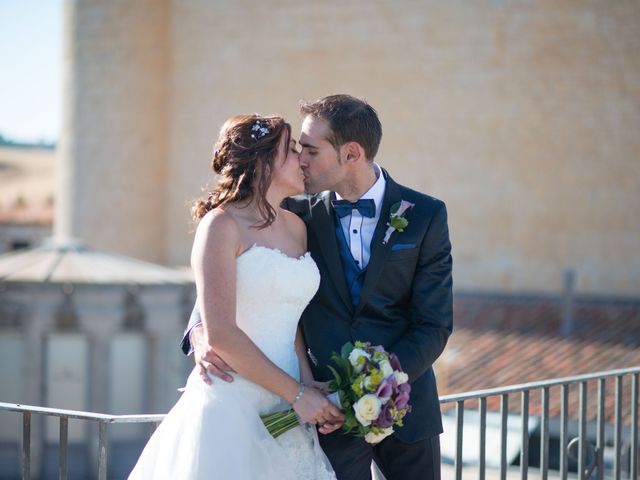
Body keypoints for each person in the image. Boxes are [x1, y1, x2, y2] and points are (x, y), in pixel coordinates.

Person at [185, 95, 453, 480]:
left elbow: (434, 324)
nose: (302, 159)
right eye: (297, 150)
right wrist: (200, 331)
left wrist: (379, 385)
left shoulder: (426, 215)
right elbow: (235, 273)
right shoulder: (294, 214)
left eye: (310, 149)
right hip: (324, 414)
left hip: (406, 406)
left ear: (351, 154)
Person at [129, 114, 341, 479]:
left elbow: (290, 319)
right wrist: (297, 394)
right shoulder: (220, 226)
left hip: (286, 404)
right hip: (231, 400)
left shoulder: (297, 228)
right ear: (263, 162)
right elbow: (222, 334)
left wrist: (306, 383)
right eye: (290, 151)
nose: (301, 160)